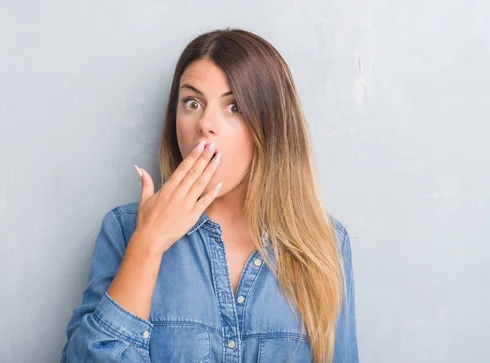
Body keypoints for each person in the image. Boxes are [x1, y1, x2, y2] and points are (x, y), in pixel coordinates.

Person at [60, 28, 358, 363]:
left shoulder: (326, 245)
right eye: (192, 103)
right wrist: (149, 243)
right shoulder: (125, 230)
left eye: (233, 107)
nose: (205, 124)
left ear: (270, 125)